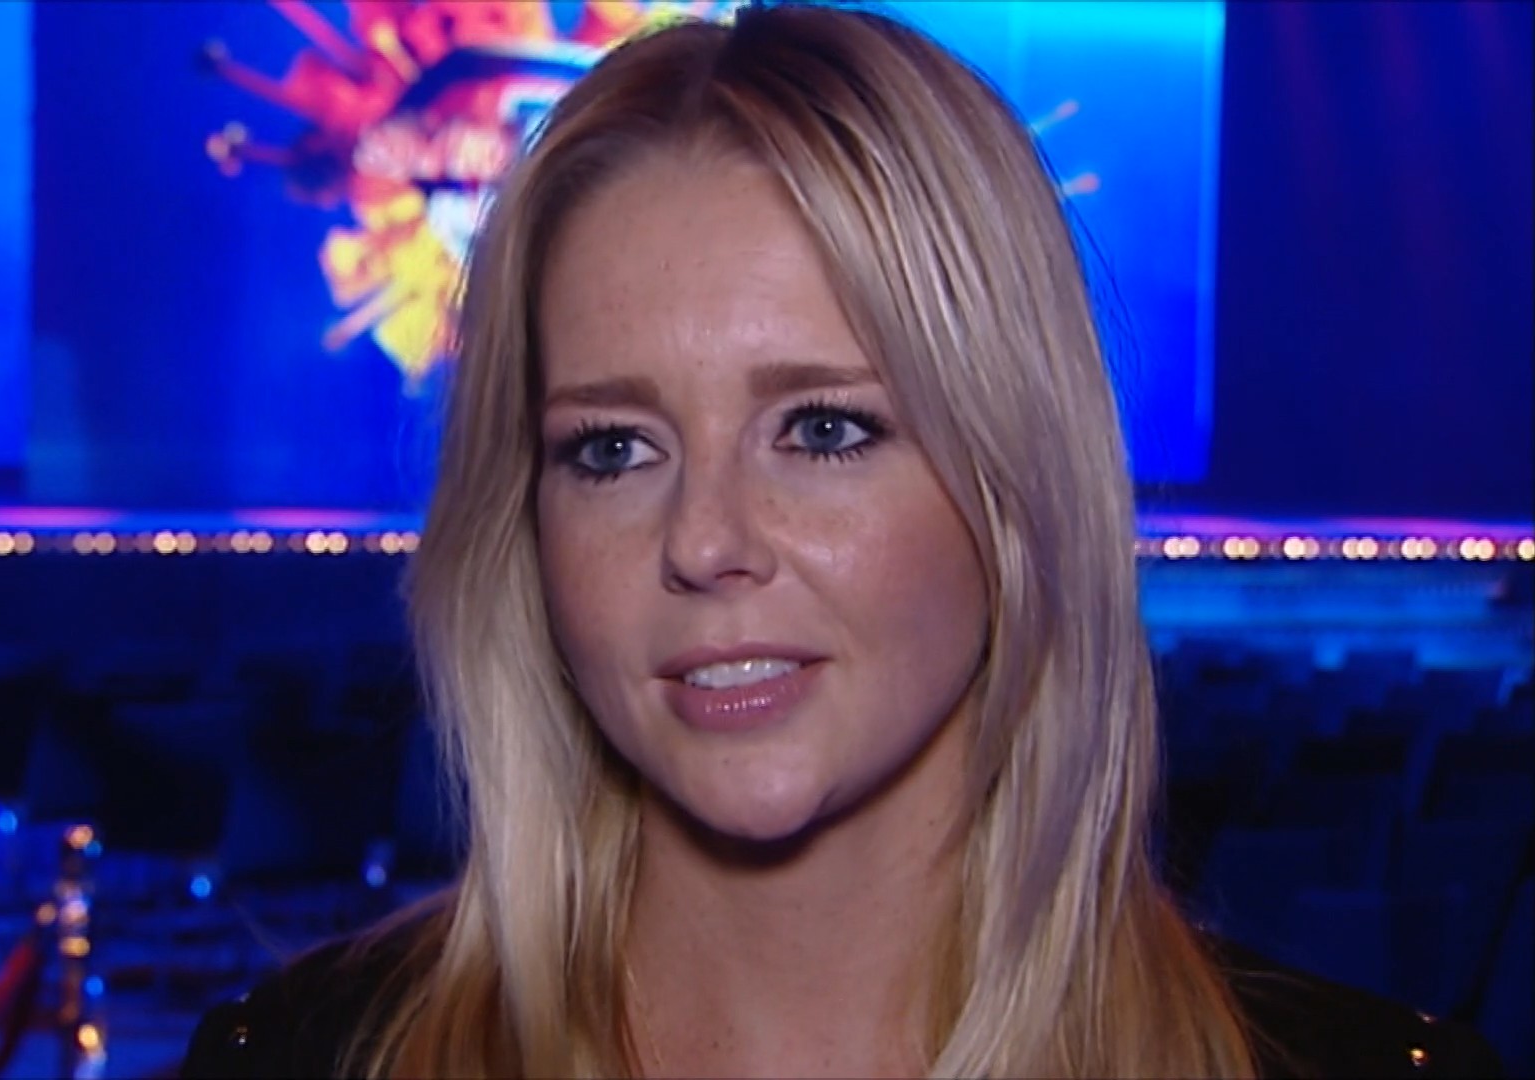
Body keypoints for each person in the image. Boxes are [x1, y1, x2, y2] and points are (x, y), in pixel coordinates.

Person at [184, 4, 1507, 1076]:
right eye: (613, 449)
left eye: (822, 430)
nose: (705, 541)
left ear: (1014, 482)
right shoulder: (301, 1061)